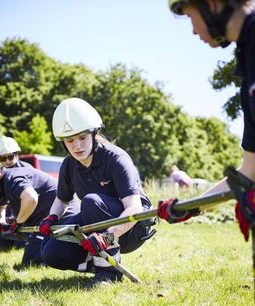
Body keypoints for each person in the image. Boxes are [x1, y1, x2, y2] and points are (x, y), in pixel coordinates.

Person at [158, 0, 255, 237]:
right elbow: (249, 172)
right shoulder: (247, 61)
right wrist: (189, 208)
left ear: (210, 5)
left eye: (190, 17)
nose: (193, 30)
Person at [39, 97, 155, 286]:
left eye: (83, 138)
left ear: (94, 134)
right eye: (70, 140)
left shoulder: (116, 158)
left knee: (91, 201)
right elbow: (62, 199)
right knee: (51, 253)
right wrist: (51, 218)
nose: (77, 145)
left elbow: (134, 207)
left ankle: (109, 274)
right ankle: (99, 263)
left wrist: (108, 236)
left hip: (132, 228)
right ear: (63, 142)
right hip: (96, 220)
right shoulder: (69, 164)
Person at [0, 165, 69, 266]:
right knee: (25, 257)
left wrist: (18, 223)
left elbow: (31, 198)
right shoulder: (1, 183)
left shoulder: (11, 179)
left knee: (32, 261)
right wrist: (1, 223)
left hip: (61, 214)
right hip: (42, 218)